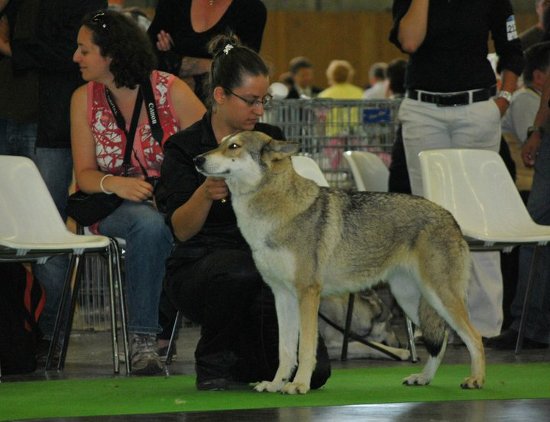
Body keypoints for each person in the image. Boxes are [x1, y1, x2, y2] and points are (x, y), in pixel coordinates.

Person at [156, 34, 331, 391]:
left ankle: (249, 357)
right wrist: (204, 195)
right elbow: (180, 231)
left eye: (264, 100)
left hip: (265, 266)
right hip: (203, 267)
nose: (259, 110)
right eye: (251, 101)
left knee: (315, 375)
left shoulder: (268, 139)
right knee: (240, 269)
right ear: (220, 95)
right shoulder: (186, 148)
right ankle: (213, 361)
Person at [71, 9, 205, 374]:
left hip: (169, 202)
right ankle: (145, 340)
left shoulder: (170, 89)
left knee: (174, 224)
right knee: (149, 226)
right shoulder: (83, 98)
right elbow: (83, 175)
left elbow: (209, 148)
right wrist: (116, 183)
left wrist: (176, 187)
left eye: (84, 50)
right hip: (111, 204)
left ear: (111, 54)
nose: (76, 57)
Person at [390, 0, 525, 339]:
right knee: (428, 219)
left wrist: (504, 99)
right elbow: (409, 42)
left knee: (481, 214)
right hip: (423, 110)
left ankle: (485, 324)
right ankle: (435, 323)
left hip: (477, 108)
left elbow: (512, 50)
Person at [1, 0, 107, 361]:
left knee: (46, 233)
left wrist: (11, 48)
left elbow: (74, 53)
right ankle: (26, 330)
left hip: (50, 126)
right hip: (16, 115)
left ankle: (49, 331)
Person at [486, 41, 550, 350]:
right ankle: (527, 323)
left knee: (535, 230)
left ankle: (528, 322)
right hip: (543, 146)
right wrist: (537, 131)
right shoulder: (529, 97)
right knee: (535, 232)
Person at [147, 0, 267, 102]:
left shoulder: (252, 10)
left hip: (219, 106)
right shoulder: (172, 3)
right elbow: (148, 56)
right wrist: (211, 64)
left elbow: (240, 68)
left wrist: (172, 59)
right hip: (167, 101)